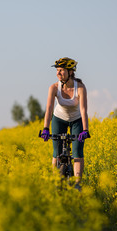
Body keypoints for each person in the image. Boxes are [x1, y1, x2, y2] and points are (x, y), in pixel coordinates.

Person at [41, 57, 90, 190]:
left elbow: (84, 110)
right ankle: (55, 181)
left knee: (77, 151)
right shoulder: (54, 87)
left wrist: (85, 130)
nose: (58, 73)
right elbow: (49, 109)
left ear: (70, 72)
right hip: (59, 118)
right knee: (56, 152)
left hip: (76, 120)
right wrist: (45, 128)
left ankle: (77, 184)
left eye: (61, 70)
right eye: (57, 70)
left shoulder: (79, 87)